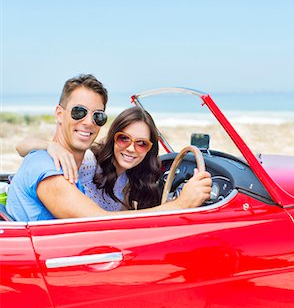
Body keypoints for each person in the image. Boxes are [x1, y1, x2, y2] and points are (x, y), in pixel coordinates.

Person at [7, 74, 212, 221]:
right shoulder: (47, 169)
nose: (88, 122)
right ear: (59, 114)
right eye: (79, 112)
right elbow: (101, 222)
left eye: (98, 116)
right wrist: (181, 204)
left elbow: (22, 146)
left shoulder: (67, 163)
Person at [16, 106, 163, 211]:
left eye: (141, 143)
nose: (131, 148)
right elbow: (20, 146)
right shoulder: (89, 162)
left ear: (149, 149)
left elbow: (120, 221)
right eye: (124, 138)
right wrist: (49, 145)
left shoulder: (129, 180)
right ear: (113, 138)